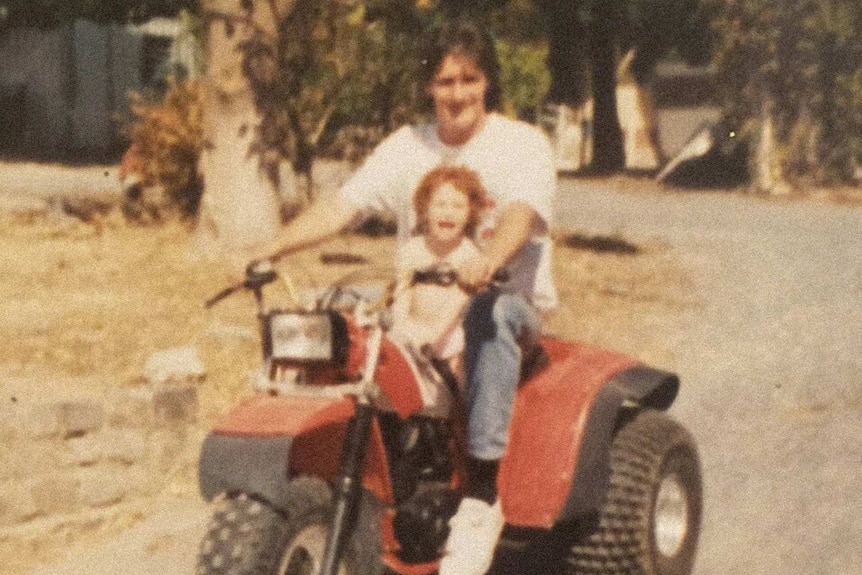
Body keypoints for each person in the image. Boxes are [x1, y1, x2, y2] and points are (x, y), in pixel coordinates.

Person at [232, 18, 557, 575]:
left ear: (487, 84)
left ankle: (481, 497)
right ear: (428, 86)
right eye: (445, 81)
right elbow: (343, 206)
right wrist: (270, 246)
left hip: (504, 305)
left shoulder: (521, 144)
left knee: (492, 312)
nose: (457, 94)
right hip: (423, 299)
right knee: (330, 311)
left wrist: (487, 261)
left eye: (469, 79)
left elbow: (521, 218)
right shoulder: (408, 147)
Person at [389, 165, 487, 372]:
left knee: (460, 371)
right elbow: (401, 294)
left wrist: (430, 337)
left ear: (471, 213)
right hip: (412, 332)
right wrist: (402, 331)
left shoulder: (468, 255)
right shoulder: (412, 250)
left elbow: (457, 304)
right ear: (425, 209)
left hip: (450, 339)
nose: (448, 213)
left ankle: (464, 400)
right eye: (439, 204)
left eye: (458, 206)